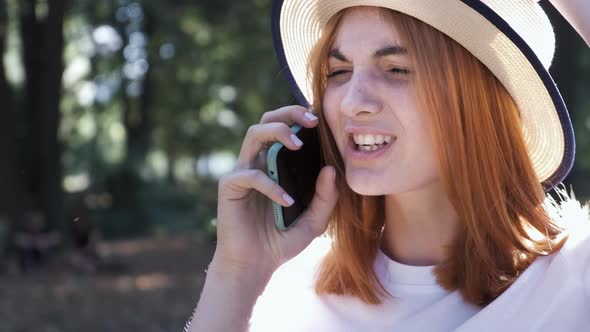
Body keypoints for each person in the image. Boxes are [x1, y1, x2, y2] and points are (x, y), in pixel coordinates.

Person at [188, 0, 590, 331]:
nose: (351, 102)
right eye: (339, 72)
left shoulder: (575, 279)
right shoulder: (287, 290)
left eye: (396, 69)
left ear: (479, 101)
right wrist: (236, 274)